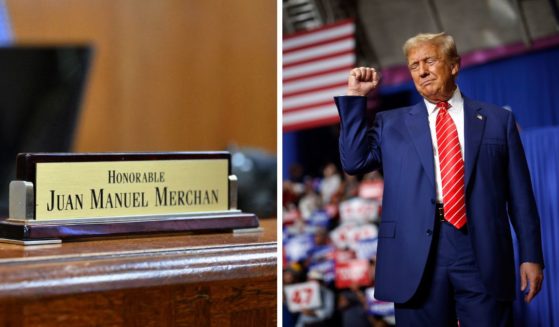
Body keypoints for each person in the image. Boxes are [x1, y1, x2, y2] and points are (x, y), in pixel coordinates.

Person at [334, 32, 544, 326]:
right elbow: (354, 162)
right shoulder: (390, 122)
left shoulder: (498, 120)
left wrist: (531, 255)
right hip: (414, 253)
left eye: (430, 61)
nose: (421, 71)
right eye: (414, 65)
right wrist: (356, 97)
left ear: (454, 65)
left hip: (481, 249)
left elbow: (520, 195)